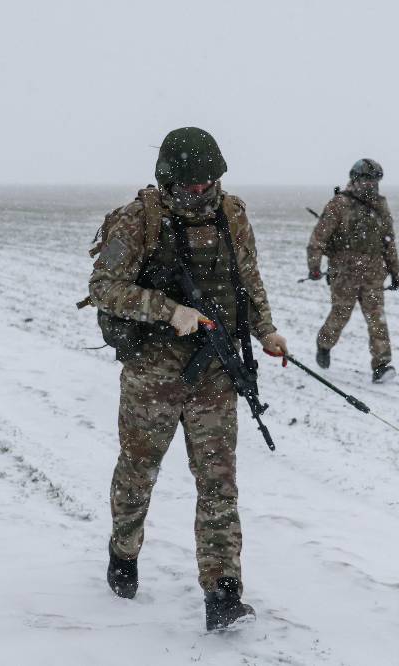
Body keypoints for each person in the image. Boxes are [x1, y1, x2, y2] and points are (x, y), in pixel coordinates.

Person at [88, 127, 287, 631]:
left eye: (209, 184)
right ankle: (123, 555)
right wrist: (167, 308)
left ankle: (223, 595)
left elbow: (249, 279)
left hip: (214, 372)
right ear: (168, 180)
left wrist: (267, 331)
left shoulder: (232, 214)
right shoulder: (139, 221)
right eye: (191, 187)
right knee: (138, 474)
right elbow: (104, 287)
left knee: (218, 484)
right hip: (152, 374)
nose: (201, 194)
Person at [306, 158, 399, 383]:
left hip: (373, 276)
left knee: (377, 320)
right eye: (366, 180)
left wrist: (395, 272)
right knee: (340, 316)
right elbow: (318, 239)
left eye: (374, 180)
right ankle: (324, 344)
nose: (370, 185)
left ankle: (382, 365)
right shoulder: (339, 204)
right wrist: (314, 267)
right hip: (344, 276)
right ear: (355, 179)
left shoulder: (380, 206)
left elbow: (389, 242)